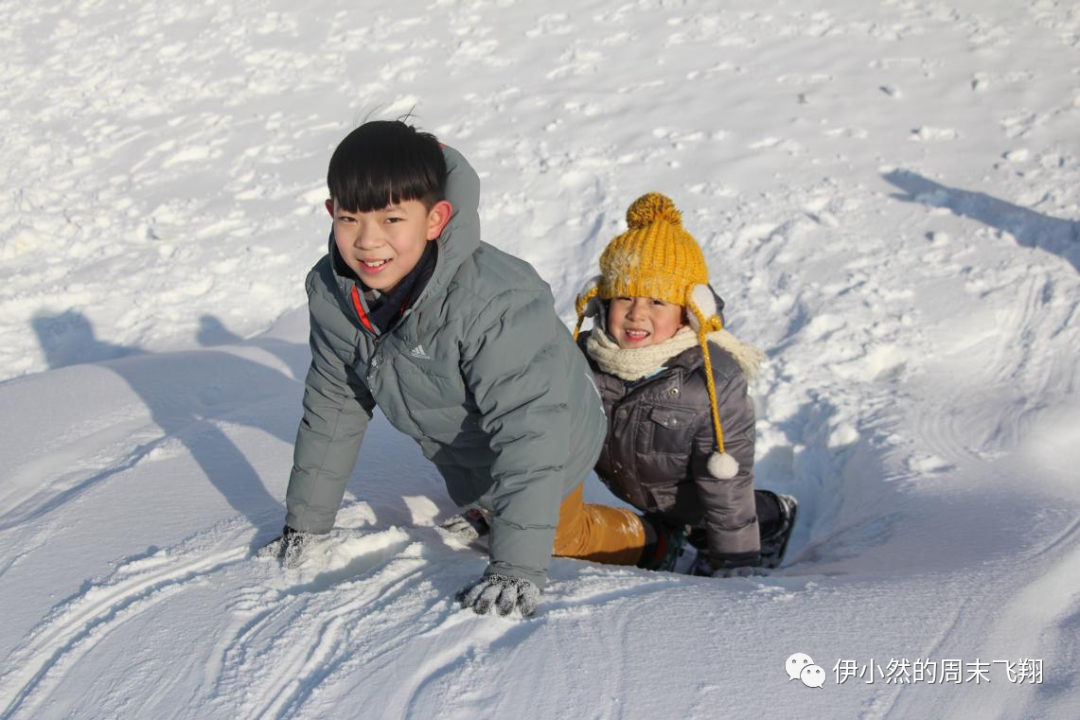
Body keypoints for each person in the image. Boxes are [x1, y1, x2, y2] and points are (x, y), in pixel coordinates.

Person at [261, 120, 643, 617]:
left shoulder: (492, 301)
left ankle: (650, 540)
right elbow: (335, 407)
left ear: (436, 219)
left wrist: (516, 569)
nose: (369, 242)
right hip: (467, 446)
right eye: (351, 218)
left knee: (559, 536)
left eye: (392, 219)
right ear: (331, 212)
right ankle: (492, 510)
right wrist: (305, 524)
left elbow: (531, 433)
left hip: (555, 435)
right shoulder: (336, 294)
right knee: (488, 491)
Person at [570, 192, 798, 577]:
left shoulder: (709, 382)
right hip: (638, 489)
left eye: (658, 302)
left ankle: (776, 515)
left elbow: (726, 484)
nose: (637, 313)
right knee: (681, 521)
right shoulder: (581, 360)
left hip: (702, 497)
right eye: (624, 297)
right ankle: (674, 532)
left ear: (689, 311)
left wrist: (735, 561)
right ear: (601, 303)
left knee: (713, 517)